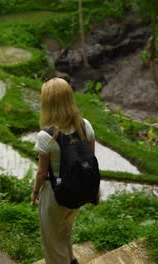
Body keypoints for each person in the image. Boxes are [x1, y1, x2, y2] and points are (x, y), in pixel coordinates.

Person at [31, 77, 96, 264]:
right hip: (78, 191)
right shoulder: (85, 125)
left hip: (55, 195)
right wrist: (94, 191)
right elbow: (91, 162)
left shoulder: (46, 136)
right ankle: (71, 259)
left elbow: (42, 174)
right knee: (66, 228)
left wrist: (35, 193)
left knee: (52, 241)